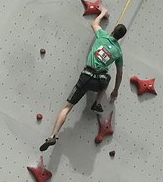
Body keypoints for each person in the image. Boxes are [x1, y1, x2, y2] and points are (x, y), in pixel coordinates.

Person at [40, 8, 125, 151]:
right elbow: (120, 73)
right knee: (108, 77)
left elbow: (94, 24)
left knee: (67, 107)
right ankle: (97, 102)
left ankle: (52, 136)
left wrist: (103, 13)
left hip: (86, 76)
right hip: (99, 81)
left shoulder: (102, 36)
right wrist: (115, 91)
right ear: (120, 37)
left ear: (113, 31)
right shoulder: (118, 52)